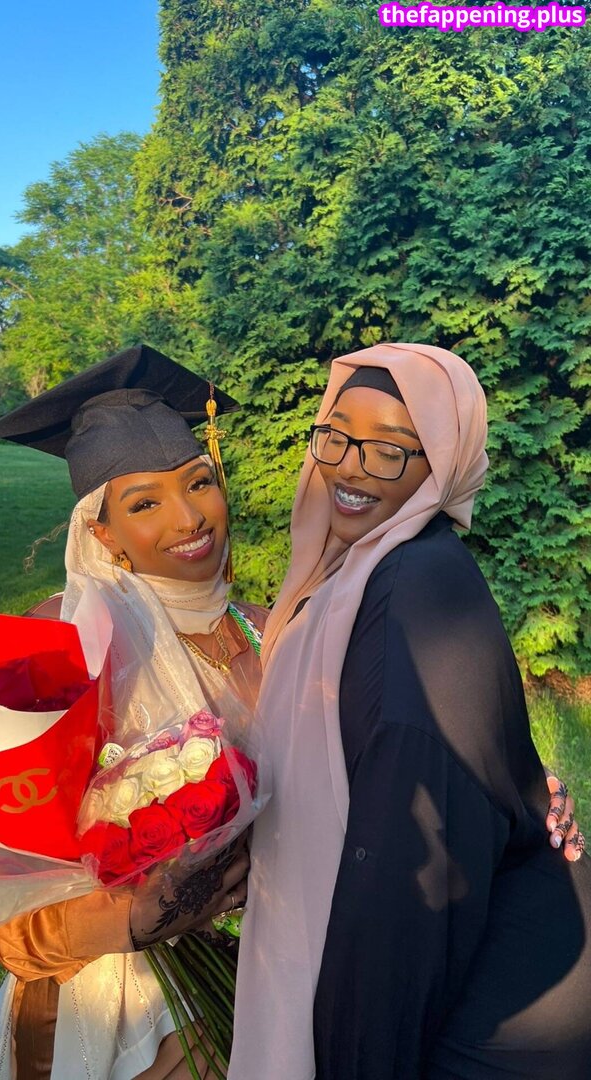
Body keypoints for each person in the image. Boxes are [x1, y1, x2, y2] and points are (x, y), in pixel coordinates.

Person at [228, 342, 591, 1080]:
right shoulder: (366, 571)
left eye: (392, 449)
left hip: (494, 1013)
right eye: (336, 435)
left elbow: (409, 889)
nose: (351, 467)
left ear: (444, 464)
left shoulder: (413, 596)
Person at [0, 345, 266, 1080]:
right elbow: (2, 906)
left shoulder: (273, 630)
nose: (189, 517)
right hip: (127, 1012)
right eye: (144, 503)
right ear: (100, 532)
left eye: (199, 483)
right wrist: (136, 918)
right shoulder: (67, 650)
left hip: (278, 972)